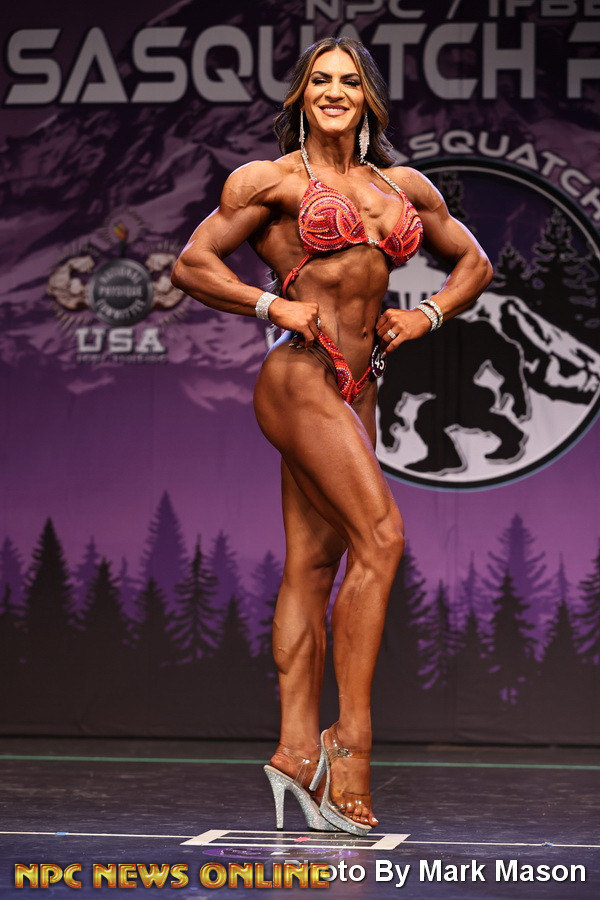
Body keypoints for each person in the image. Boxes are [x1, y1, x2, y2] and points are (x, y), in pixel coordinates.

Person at [171, 36, 492, 836]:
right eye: (320, 80)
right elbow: (192, 263)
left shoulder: (400, 186)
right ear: (302, 96)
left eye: (349, 80)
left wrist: (425, 314)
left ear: (368, 99)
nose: (335, 91)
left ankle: (291, 751)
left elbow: (475, 264)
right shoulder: (270, 180)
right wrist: (271, 305)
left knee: (316, 564)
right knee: (382, 538)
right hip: (299, 376)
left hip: (360, 388)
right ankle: (348, 744)